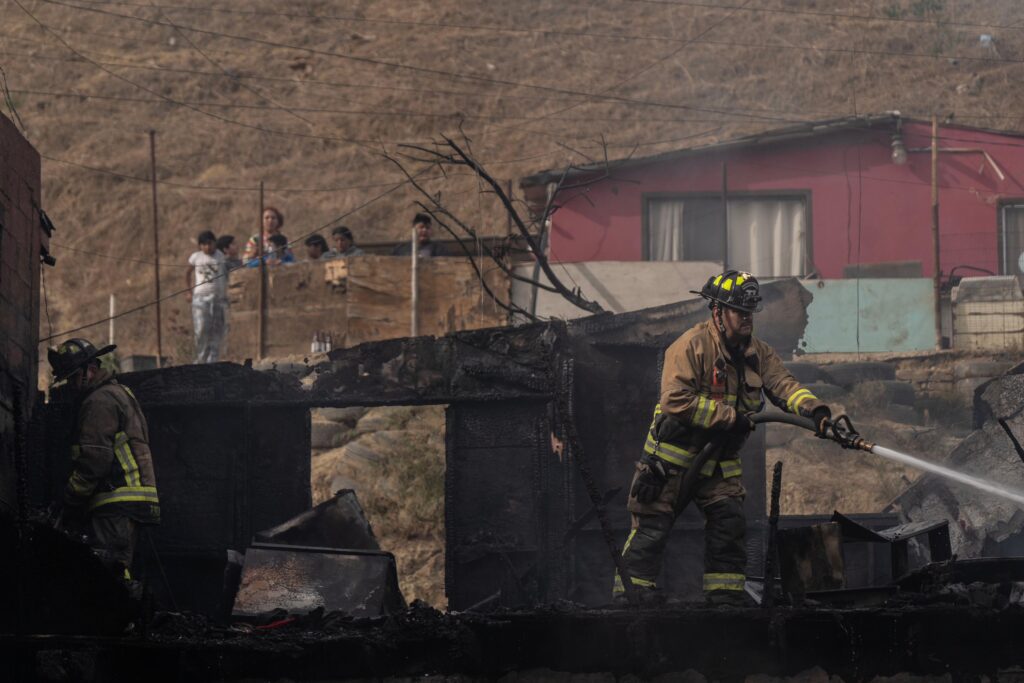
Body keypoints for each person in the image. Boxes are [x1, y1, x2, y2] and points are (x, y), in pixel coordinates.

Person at [615, 270, 837, 606]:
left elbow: (784, 385)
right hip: (670, 462)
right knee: (651, 529)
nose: (747, 319)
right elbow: (674, 400)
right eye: (739, 312)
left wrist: (814, 410)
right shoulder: (691, 346)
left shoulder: (757, 353)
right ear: (717, 312)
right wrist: (729, 417)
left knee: (729, 523)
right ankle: (630, 600)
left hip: (718, 463)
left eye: (750, 312)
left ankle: (725, 600)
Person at [47, 338, 160, 580]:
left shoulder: (98, 401)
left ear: (91, 370)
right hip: (129, 502)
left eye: (74, 377)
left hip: (114, 502)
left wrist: (69, 498)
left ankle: (118, 617)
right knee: (118, 571)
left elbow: (94, 460)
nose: (72, 386)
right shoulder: (119, 393)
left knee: (109, 575)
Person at [187, 230, 229, 363]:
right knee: (201, 329)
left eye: (210, 243)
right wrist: (188, 291)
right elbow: (187, 273)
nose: (208, 247)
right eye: (204, 244)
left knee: (216, 330)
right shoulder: (196, 257)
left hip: (217, 298)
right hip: (200, 298)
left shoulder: (220, 256)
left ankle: (213, 361)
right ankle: (200, 360)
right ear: (200, 246)